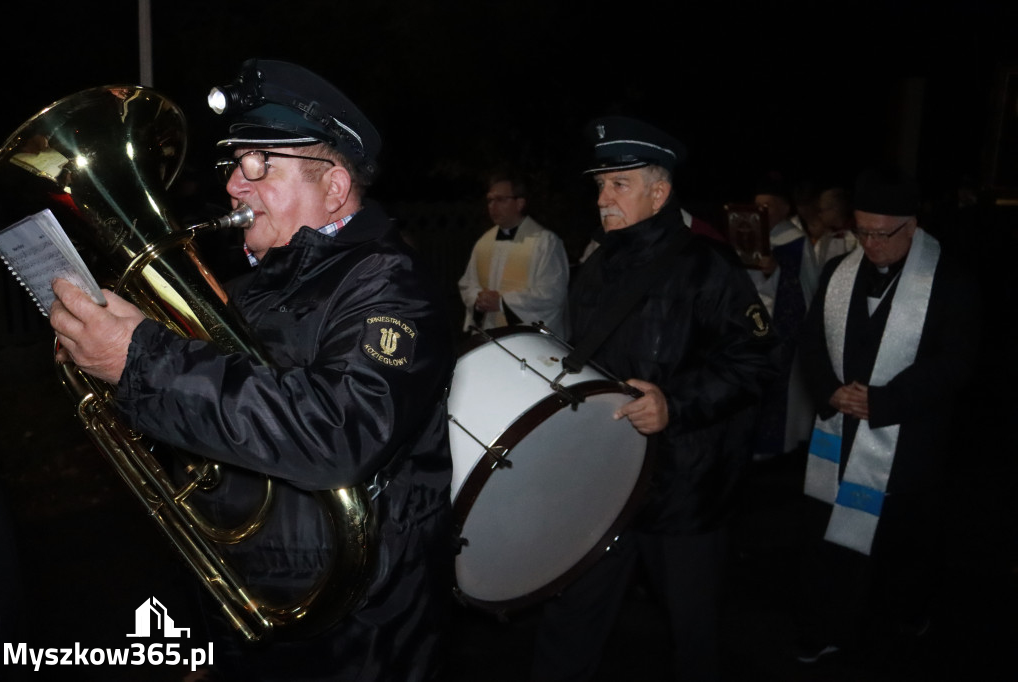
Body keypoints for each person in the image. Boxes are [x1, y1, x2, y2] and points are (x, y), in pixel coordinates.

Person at [48, 59, 456, 681]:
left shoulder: (392, 285)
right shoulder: (243, 289)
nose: (236, 185)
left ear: (336, 187)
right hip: (240, 600)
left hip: (353, 627)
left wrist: (141, 359)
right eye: (236, 165)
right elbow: (208, 436)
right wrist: (108, 363)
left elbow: (339, 431)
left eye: (260, 165)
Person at [530, 116, 779, 682]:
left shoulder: (706, 266)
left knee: (693, 633)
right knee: (570, 619)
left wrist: (676, 403)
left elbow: (757, 359)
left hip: (685, 488)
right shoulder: (595, 266)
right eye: (599, 185)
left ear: (659, 191)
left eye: (619, 184)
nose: (602, 198)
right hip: (605, 482)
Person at [794, 167, 981, 665]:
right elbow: (811, 344)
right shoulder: (840, 273)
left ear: (912, 227)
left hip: (907, 437)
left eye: (882, 234)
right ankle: (827, 623)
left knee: (900, 544)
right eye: (863, 231)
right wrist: (830, 391)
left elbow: (956, 361)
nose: (870, 244)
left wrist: (886, 401)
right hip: (840, 429)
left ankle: (899, 622)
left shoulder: (949, 281)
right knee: (830, 537)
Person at [747, 173, 819, 461]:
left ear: (784, 208)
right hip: (753, 326)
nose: (760, 213)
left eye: (767, 206)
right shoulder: (749, 235)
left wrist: (775, 271)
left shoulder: (797, 241)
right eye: (757, 206)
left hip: (784, 330)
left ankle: (782, 447)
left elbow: (808, 287)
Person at [458, 173, 569, 336]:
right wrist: (478, 299)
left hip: (528, 339)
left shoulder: (545, 242)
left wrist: (503, 303)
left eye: (500, 200)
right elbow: (468, 283)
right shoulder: (484, 242)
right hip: (490, 334)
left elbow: (552, 294)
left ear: (520, 203)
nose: (492, 206)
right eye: (490, 200)